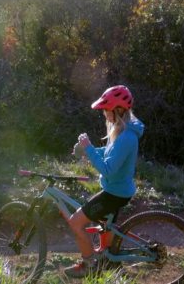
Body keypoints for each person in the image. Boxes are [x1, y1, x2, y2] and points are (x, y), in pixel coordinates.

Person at [64, 85, 145, 278]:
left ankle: (89, 264)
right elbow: (109, 154)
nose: (103, 113)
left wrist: (89, 148)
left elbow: (107, 169)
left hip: (114, 194)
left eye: (106, 109)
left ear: (118, 110)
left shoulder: (126, 137)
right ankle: (108, 261)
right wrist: (89, 149)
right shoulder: (122, 130)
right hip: (117, 191)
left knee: (75, 223)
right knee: (104, 228)